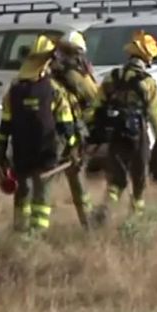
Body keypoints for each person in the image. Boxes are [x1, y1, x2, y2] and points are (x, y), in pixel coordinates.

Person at [0, 36, 79, 234]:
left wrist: (1, 152)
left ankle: (20, 231)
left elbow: (5, 125)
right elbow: (65, 121)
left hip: (21, 150)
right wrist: (72, 144)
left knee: (22, 191)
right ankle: (37, 234)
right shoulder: (54, 90)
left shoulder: (13, 90)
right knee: (42, 194)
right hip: (46, 150)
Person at [91, 30, 157, 224]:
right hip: (137, 134)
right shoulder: (148, 83)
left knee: (116, 181)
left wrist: (91, 133)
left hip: (115, 134)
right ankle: (135, 220)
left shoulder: (113, 77)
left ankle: (104, 212)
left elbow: (96, 105)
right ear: (147, 57)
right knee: (139, 181)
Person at [50, 31, 101, 228]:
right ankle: (88, 224)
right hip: (69, 134)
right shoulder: (74, 76)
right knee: (76, 179)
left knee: (40, 180)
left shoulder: (49, 70)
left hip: (52, 131)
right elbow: (94, 97)